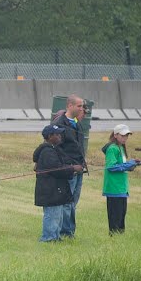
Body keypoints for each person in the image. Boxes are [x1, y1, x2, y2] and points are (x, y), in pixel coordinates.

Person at [51, 96, 87, 237]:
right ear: (70, 106)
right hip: (70, 169)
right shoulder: (60, 123)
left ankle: (69, 230)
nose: (81, 109)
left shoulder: (77, 123)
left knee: (73, 202)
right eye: (79, 106)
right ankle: (66, 232)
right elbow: (57, 147)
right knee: (67, 201)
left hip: (80, 168)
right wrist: (69, 166)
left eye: (82, 106)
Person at [34, 124, 76, 242]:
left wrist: (72, 167)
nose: (60, 136)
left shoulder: (54, 149)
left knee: (58, 215)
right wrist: (73, 169)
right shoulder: (47, 151)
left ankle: (56, 236)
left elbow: (62, 164)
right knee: (52, 215)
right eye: (57, 134)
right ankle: (48, 238)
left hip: (56, 190)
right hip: (50, 190)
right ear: (49, 136)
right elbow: (56, 169)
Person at [102, 123, 138, 234]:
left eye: (127, 135)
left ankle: (120, 237)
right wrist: (128, 165)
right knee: (115, 217)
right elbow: (111, 167)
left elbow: (121, 165)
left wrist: (131, 165)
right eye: (123, 135)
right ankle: (114, 237)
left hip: (122, 188)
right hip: (114, 188)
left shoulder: (120, 147)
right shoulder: (112, 148)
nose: (125, 138)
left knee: (121, 216)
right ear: (116, 135)